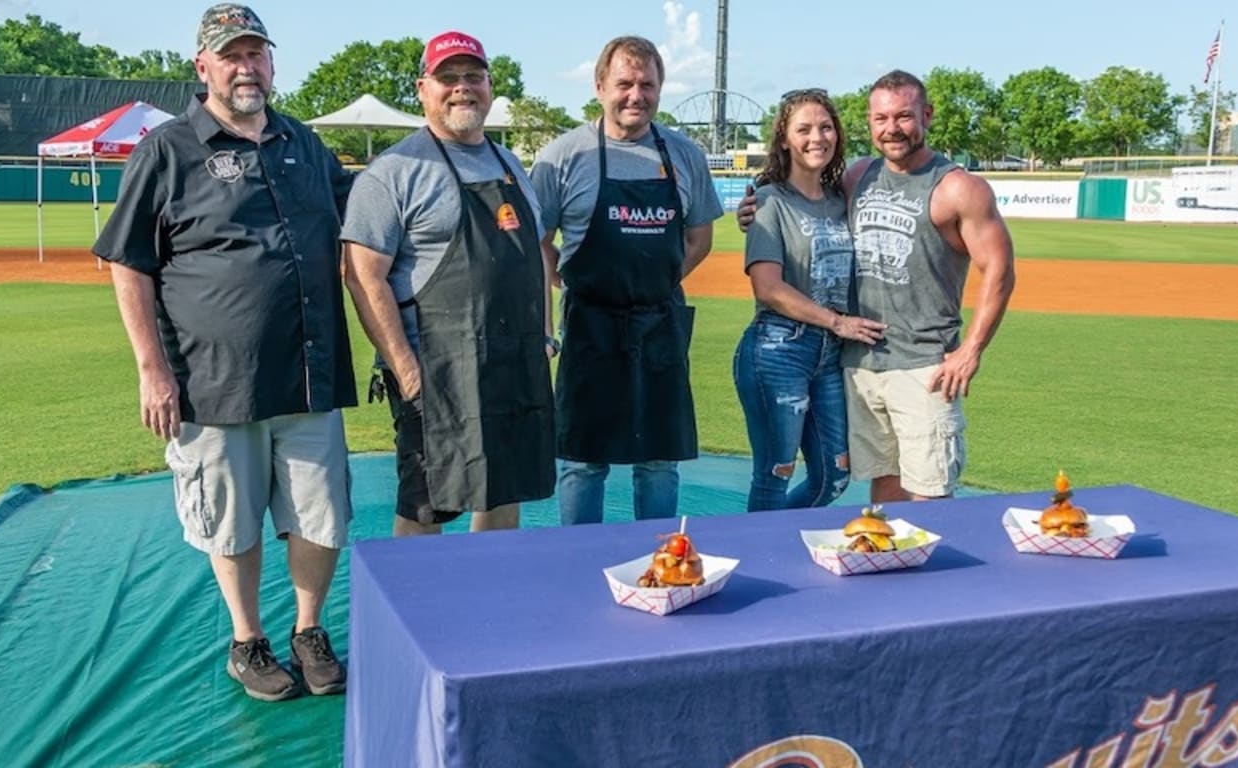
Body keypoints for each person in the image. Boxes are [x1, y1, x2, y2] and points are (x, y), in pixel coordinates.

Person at [93, 3, 355, 702]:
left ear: (272, 63)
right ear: (202, 66)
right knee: (231, 518)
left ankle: (308, 629)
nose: (246, 67)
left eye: (256, 53)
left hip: (308, 370)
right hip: (214, 381)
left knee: (321, 512)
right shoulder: (169, 148)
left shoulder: (304, 143)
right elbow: (130, 263)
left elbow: (363, 221)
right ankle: (249, 640)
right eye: (230, 55)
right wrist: (152, 371)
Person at [739, 70, 1015, 503]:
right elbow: (791, 212)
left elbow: (999, 269)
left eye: (904, 116)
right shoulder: (858, 177)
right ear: (869, 123)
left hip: (924, 364)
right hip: (858, 363)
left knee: (928, 494)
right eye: (881, 118)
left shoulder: (958, 187)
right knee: (882, 490)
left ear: (927, 114)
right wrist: (754, 207)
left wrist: (971, 350)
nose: (892, 129)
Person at [342, 31, 555, 537]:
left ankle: (491, 601)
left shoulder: (511, 167)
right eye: (448, 78)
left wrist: (545, 336)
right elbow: (360, 275)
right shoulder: (393, 172)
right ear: (422, 88)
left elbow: (538, 255)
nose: (462, 88)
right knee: (427, 505)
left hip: (509, 366)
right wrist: (406, 369)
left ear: (489, 85)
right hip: (435, 372)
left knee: (504, 489)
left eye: (473, 77)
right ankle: (419, 611)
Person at [530, 35, 724, 526]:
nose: (636, 95)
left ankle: (660, 556)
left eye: (647, 84)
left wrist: (654, 283)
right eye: (624, 84)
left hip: (659, 321)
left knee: (659, 459)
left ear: (660, 89)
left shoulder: (684, 155)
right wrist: (567, 280)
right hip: (589, 323)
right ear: (600, 87)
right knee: (581, 459)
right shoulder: (562, 156)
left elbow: (699, 239)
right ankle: (578, 557)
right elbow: (536, 241)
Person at [734, 89, 886, 512]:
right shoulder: (768, 201)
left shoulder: (843, 199)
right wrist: (838, 323)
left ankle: (779, 538)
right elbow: (768, 288)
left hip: (828, 356)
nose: (817, 137)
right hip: (778, 350)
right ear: (783, 139)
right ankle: (764, 558)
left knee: (834, 477)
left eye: (825, 127)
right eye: (803, 129)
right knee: (774, 474)